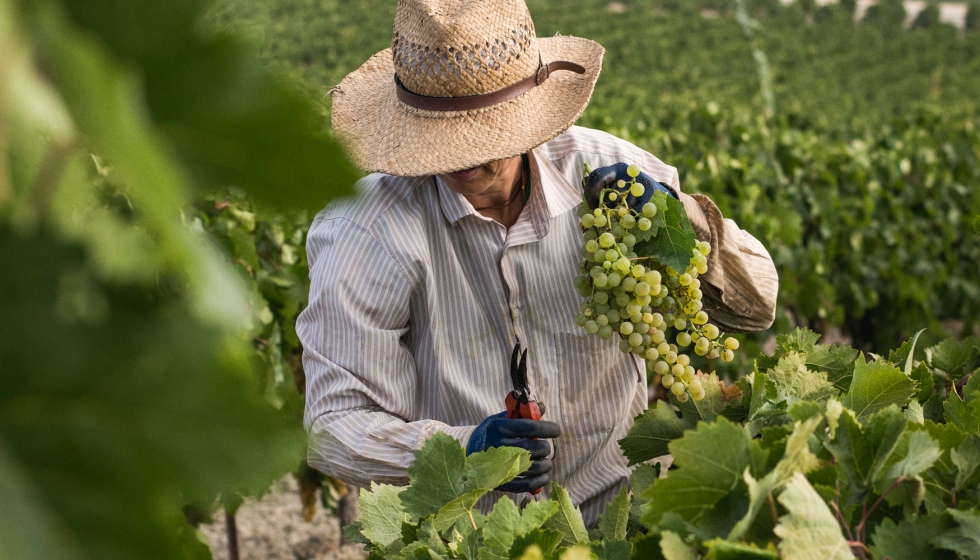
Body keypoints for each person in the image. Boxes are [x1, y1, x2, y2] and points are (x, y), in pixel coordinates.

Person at [297, 0, 778, 526]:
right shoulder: (366, 229)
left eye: (484, 133)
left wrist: (681, 222)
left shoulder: (611, 176)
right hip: (467, 537)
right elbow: (333, 427)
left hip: (617, 520)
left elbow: (754, 309)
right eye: (440, 138)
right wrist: (463, 450)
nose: (463, 158)